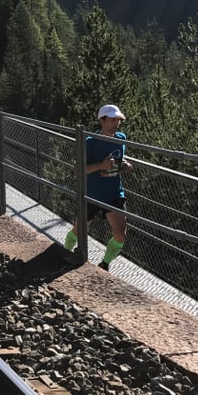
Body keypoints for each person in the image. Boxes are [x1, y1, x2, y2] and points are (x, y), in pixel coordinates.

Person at [64, 104, 133, 272]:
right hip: (92, 194)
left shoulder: (121, 138)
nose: (117, 123)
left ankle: (105, 264)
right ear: (102, 120)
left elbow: (118, 160)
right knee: (78, 230)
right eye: (113, 119)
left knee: (120, 235)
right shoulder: (90, 142)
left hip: (113, 192)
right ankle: (64, 252)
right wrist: (100, 165)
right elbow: (78, 170)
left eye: (118, 119)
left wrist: (125, 166)